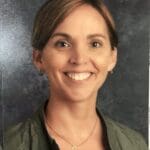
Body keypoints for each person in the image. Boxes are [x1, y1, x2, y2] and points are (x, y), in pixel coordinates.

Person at [4, 0, 147, 150]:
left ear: (112, 58)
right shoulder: (7, 144)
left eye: (95, 44)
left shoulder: (136, 145)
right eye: (63, 44)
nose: (79, 59)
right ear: (39, 58)